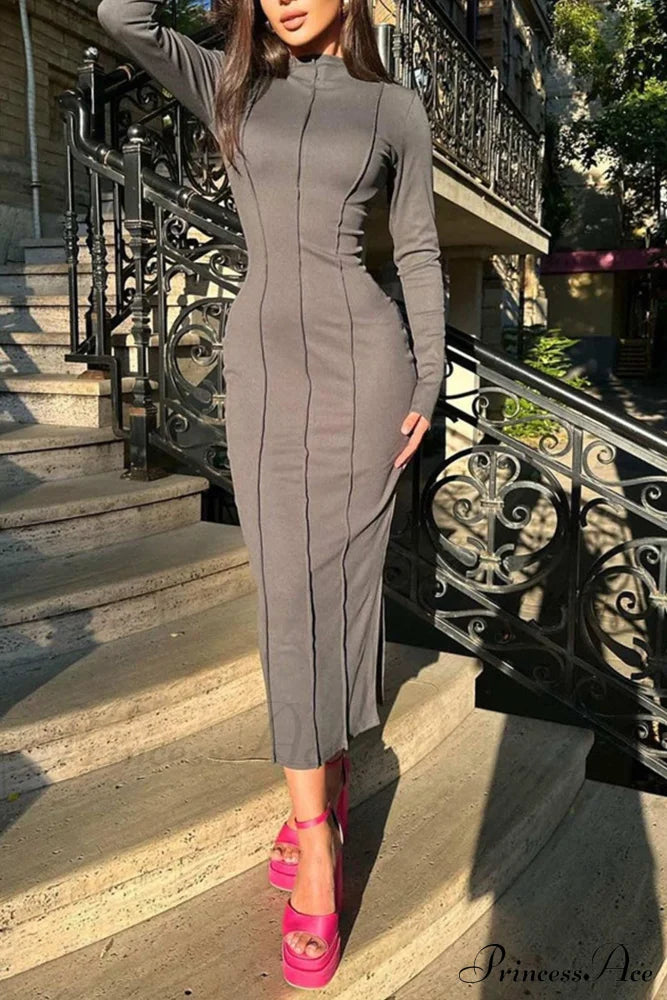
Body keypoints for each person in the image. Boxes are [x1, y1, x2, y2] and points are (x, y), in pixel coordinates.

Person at [96, 0, 447, 988]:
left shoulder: (394, 108)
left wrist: (427, 382)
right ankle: (315, 833)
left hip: (368, 370)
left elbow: (418, 249)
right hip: (263, 371)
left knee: (342, 589)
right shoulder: (230, 85)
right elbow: (122, 16)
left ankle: (325, 785)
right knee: (286, 597)